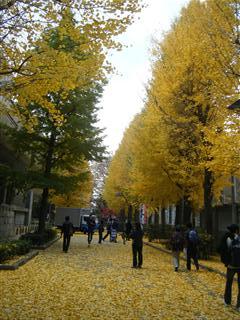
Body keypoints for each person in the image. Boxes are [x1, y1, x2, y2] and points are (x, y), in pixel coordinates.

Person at [223, 224, 240, 310]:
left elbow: (227, 249)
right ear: (237, 230)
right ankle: (239, 305)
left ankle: (227, 301)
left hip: (231, 265)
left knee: (229, 283)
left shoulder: (229, 238)